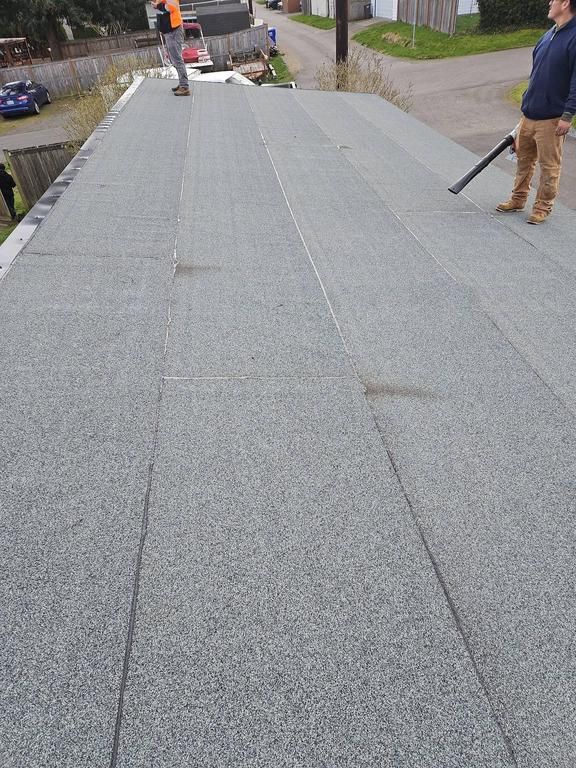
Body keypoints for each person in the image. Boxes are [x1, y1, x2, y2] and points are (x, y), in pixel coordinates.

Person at [497, 0, 576, 224]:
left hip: (552, 119)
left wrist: (568, 116)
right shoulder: (547, 35)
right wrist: (523, 114)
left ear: (566, 3)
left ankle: (542, 208)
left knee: (549, 166)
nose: (550, 3)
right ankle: (518, 199)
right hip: (529, 114)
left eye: (554, 0)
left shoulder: (574, 37)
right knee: (523, 160)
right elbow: (536, 76)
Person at [152, 0, 190, 96]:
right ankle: (182, 83)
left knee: (177, 59)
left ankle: (184, 86)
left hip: (174, 30)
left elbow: (172, 7)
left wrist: (158, 6)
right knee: (174, 60)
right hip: (169, 31)